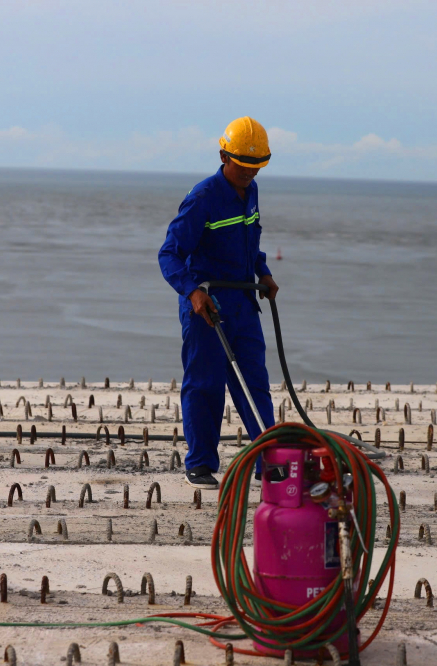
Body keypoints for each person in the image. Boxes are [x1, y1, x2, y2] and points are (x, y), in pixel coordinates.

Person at [158, 117, 279, 489]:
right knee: (205, 384)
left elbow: (248, 242)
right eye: (243, 166)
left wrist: (262, 272)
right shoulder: (203, 197)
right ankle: (200, 464)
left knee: (255, 383)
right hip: (206, 306)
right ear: (224, 156)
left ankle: (268, 463)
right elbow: (169, 254)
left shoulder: (251, 190)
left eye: (256, 167)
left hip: (242, 301)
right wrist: (193, 292)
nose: (249, 173)